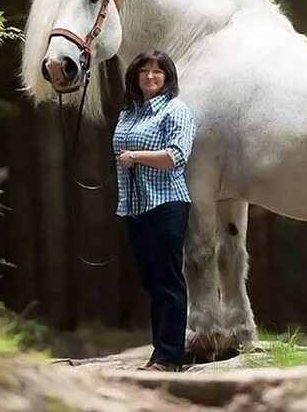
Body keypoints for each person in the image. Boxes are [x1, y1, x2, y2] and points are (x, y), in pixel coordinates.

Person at [112, 49, 196, 372]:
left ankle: (169, 357)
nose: (150, 76)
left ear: (168, 78)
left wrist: (135, 156)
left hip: (167, 204)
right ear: (135, 76)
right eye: (144, 71)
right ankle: (159, 352)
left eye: (158, 72)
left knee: (168, 282)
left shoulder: (176, 111)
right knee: (151, 281)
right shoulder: (128, 113)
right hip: (136, 207)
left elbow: (176, 155)